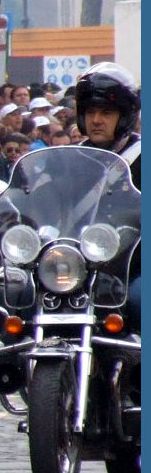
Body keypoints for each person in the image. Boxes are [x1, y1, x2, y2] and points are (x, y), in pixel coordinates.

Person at [74, 62, 141, 331]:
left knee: (139, 299)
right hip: (76, 266)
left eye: (106, 112)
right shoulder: (71, 160)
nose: (96, 120)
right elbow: (45, 202)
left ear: (124, 116)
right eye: (90, 112)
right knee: (19, 296)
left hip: (132, 266)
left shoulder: (141, 157)